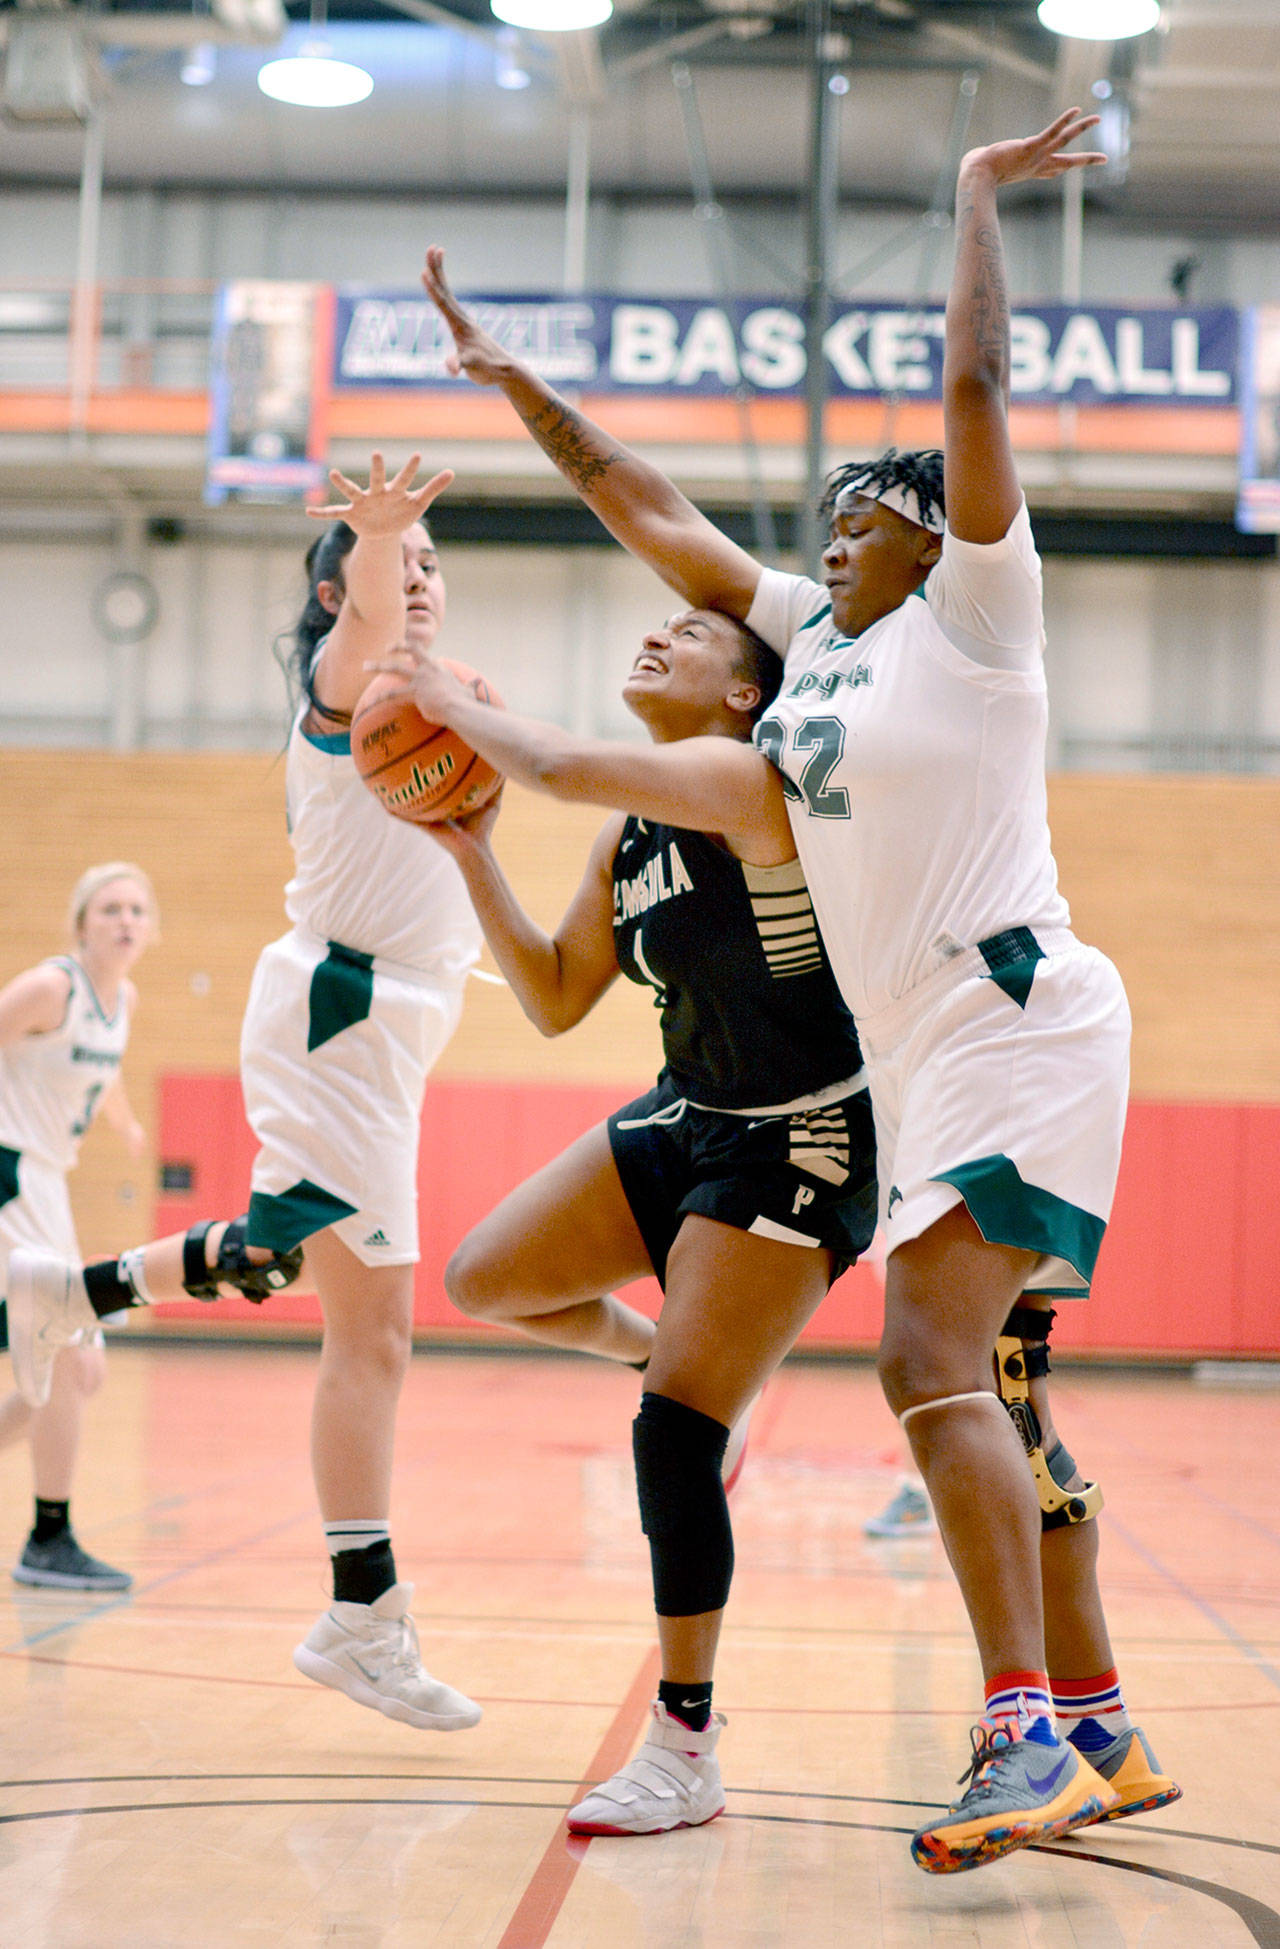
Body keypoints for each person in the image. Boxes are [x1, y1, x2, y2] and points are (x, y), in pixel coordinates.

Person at [416, 107, 1180, 1871]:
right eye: (825, 525)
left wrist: (976, 193)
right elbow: (646, 504)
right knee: (991, 1382)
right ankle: (1101, 1719)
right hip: (922, 1055)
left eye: (869, 514)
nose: (835, 535)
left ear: (937, 536)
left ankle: (1020, 1737)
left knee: (930, 1359)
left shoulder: (977, 620)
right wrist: (521, 388)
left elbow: (975, 401)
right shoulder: (817, 643)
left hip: (1017, 1016)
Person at [375, 604, 875, 1834]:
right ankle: (686, 1357)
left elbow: (540, 757)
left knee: (669, 1441)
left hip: (801, 1132)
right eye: (654, 622)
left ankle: (684, 1740)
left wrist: (440, 692)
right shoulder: (628, 830)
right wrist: (466, 848)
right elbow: (551, 996)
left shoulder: (742, 780)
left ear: (741, 695)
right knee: (486, 1276)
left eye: (694, 632)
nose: (656, 633)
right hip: (693, 1106)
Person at [9, 454, 486, 1736]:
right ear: (340, 590)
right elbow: (376, 619)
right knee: (328, 1293)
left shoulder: (437, 697)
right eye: (398, 568)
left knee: (362, 1325)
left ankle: (72, 1292)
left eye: (436, 562)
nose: (419, 582)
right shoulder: (346, 681)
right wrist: (383, 537)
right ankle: (363, 1615)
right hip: (340, 1004)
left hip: (397, 1019)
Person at [0, 865, 156, 1590]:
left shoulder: (121, 1000)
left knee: (60, 1372)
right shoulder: (50, 988)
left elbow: (105, 1073)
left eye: (136, 908)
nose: (125, 919)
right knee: (69, 1352)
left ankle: (50, 1535)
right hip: (10, 1170)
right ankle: (49, 1536)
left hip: (46, 1181)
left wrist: (123, 1121)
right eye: (110, 908)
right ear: (82, 924)